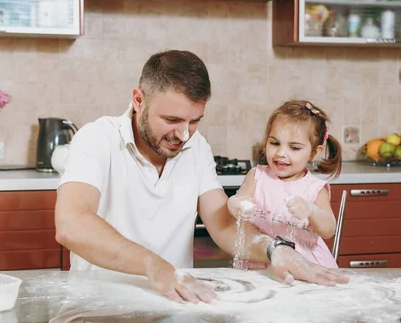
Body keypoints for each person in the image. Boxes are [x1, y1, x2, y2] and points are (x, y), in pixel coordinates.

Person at [55, 50, 348, 304]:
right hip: (99, 305)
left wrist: (273, 249)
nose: (183, 134)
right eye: (171, 120)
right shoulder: (97, 139)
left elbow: (223, 226)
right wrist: (152, 265)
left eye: (194, 121)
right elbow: (72, 224)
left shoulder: (196, 147)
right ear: (138, 99)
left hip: (176, 305)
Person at [228, 100, 342, 269]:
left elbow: (328, 229)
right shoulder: (257, 176)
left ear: (314, 153)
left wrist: (311, 210)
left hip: (304, 266)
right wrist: (236, 205)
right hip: (261, 260)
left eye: (294, 148)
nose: (281, 153)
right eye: (274, 143)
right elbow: (238, 200)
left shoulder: (314, 188)